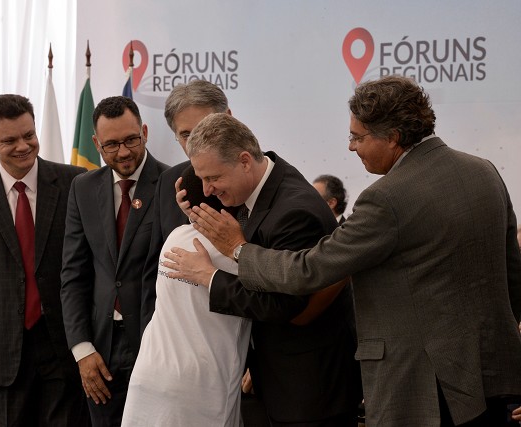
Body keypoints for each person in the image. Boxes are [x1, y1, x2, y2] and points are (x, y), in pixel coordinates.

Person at [165, 75, 521, 427]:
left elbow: (308, 271)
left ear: (392, 137)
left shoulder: (386, 198)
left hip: (422, 389)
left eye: (357, 137)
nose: (351, 147)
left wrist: (239, 249)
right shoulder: (484, 171)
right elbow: (512, 274)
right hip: (491, 375)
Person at [168, 113, 361, 426]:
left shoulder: (295, 212)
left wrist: (208, 276)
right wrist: (197, 216)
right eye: (201, 178)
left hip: (308, 393)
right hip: (272, 381)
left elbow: (284, 303)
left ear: (245, 161)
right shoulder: (258, 183)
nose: (206, 189)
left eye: (212, 178)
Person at [0, 94, 89, 426]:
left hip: (64, 344)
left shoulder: (75, 183)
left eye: (29, 135)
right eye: (10, 140)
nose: (23, 146)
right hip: (2, 349)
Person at [61, 96, 169, 427]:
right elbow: (73, 275)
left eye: (131, 140)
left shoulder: (171, 184)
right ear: (96, 144)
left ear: (145, 132)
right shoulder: (82, 187)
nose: (123, 152)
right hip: (100, 350)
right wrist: (82, 350)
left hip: (156, 344)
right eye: (111, 145)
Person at [122, 165, 251, 426]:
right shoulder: (238, 254)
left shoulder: (175, 235)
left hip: (150, 372)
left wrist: (193, 213)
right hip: (200, 385)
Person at [141, 79, 231, 330]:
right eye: (186, 135)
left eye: (205, 129)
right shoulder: (169, 180)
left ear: (228, 119)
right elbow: (155, 269)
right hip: (176, 336)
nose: (196, 143)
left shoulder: (249, 176)